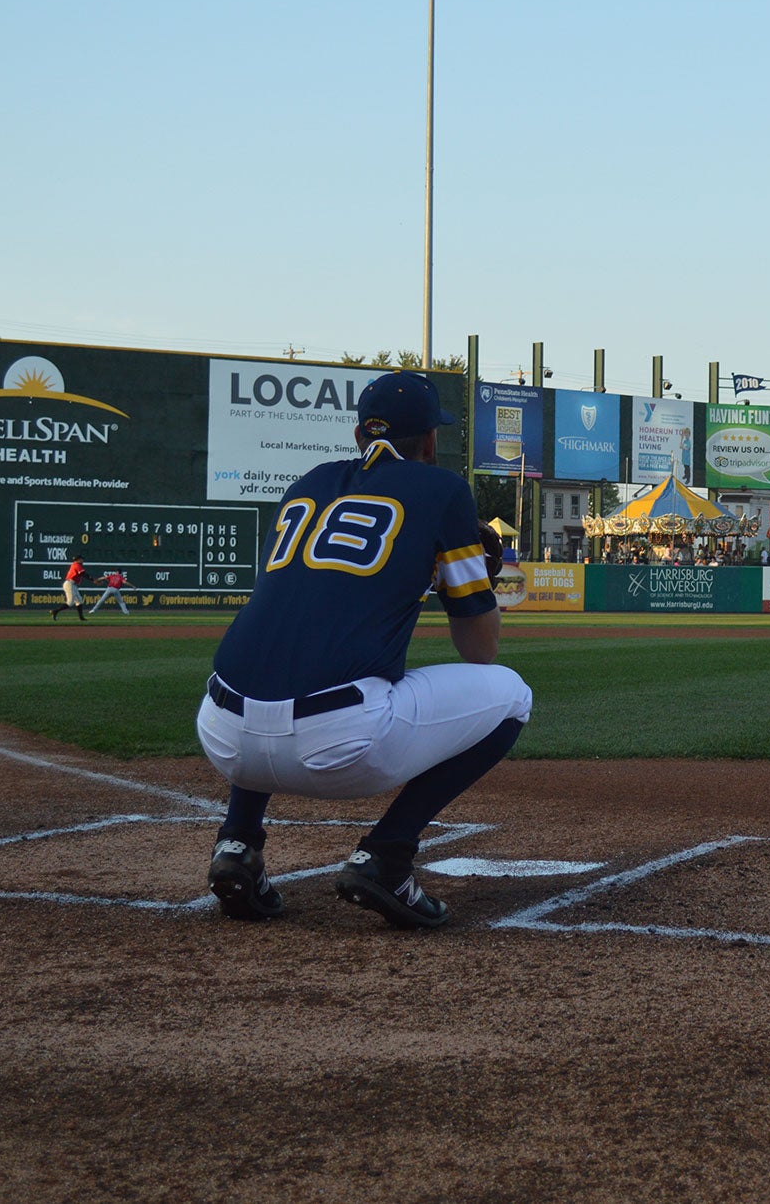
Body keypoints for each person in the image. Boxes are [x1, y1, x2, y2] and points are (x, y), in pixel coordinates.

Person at [197, 370, 532, 929]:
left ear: (359, 435)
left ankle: (237, 843)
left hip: (222, 732)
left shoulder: (307, 483)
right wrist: (470, 579)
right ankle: (388, 855)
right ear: (430, 441)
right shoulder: (443, 489)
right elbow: (480, 650)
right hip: (337, 746)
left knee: (276, 660)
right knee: (512, 696)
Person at [52, 556, 88, 622]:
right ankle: (55, 611)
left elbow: (82, 574)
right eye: (81, 559)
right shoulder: (76, 564)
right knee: (70, 602)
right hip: (69, 584)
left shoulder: (76, 564)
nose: (82, 560)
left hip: (73, 584)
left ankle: (81, 618)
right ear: (78, 560)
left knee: (79, 601)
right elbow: (83, 573)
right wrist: (93, 579)